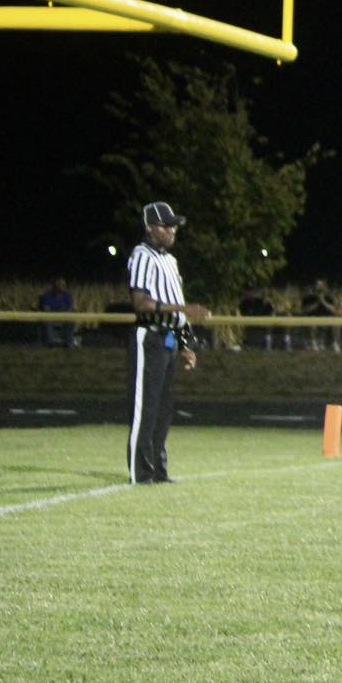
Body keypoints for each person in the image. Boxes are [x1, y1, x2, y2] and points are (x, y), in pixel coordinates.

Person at [125, 202, 209, 484]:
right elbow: (140, 303)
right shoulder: (141, 255)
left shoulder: (171, 261)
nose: (172, 230)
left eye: (174, 225)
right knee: (145, 407)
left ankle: (158, 470)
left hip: (169, 338)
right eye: (166, 225)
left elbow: (178, 306)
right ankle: (141, 472)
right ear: (150, 227)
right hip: (149, 335)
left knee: (164, 409)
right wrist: (183, 312)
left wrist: (186, 344)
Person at [36, 276, 77, 347]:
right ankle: (51, 343)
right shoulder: (47, 295)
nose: (61, 286)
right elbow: (46, 309)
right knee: (46, 321)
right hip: (51, 317)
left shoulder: (67, 295)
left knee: (71, 321)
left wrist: (64, 313)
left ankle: (68, 342)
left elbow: (70, 308)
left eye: (63, 284)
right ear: (54, 285)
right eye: (59, 284)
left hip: (64, 316)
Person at [299, 278, 339, 352]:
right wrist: (317, 302)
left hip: (327, 319)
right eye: (318, 285)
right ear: (314, 286)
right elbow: (305, 311)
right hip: (312, 318)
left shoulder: (329, 297)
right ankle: (313, 344)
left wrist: (323, 301)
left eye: (321, 285)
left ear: (325, 286)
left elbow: (334, 310)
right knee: (313, 324)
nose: (320, 287)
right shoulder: (308, 297)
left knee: (336, 324)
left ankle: (335, 343)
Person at [238, 285, 278, 350]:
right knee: (250, 349)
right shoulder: (243, 304)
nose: (249, 293)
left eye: (251, 291)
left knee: (263, 349)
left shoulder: (261, 302)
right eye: (247, 291)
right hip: (250, 331)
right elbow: (245, 315)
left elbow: (270, 312)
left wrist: (268, 303)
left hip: (262, 331)